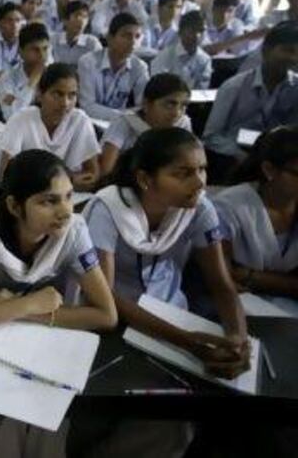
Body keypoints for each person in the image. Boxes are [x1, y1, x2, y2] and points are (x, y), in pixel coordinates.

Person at [83, 128, 250, 379]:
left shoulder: (199, 208)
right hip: (116, 319)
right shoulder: (108, 209)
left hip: (171, 311)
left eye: (202, 169)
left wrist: (238, 338)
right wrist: (186, 342)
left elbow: (221, 283)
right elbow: (105, 295)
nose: (199, 183)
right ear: (145, 180)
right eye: (183, 174)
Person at [0, 148, 117, 333]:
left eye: (69, 196)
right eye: (49, 201)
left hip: (41, 337)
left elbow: (107, 316)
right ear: (15, 207)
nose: (66, 212)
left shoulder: (74, 232)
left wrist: (19, 308)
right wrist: (29, 304)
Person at [213, 126, 298, 316]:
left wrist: (250, 275)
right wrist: (285, 284)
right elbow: (224, 275)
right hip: (239, 306)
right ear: (269, 170)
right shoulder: (230, 206)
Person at [0, 63, 100, 191]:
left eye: (72, 95)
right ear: (40, 94)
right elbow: (5, 176)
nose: (65, 103)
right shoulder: (22, 119)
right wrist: (63, 182)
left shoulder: (80, 120)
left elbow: (93, 173)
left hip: (47, 192)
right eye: (57, 94)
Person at [202, 21, 298, 173]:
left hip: (278, 161)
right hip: (235, 158)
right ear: (265, 51)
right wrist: (241, 156)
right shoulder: (234, 86)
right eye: (288, 50)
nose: (294, 58)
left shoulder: (295, 89)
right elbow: (211, 136)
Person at [99, 73, 192, 176]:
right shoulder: (125, 122)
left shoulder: (183, 124)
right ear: (146, 104)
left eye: (183, 106)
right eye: (170, 104)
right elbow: (106, 170)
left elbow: (189, 168)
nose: (177, 113)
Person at [77, 12, 149, 121]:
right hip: (90, 122)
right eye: (127, 35)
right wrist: (122, 116)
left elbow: (143, 107)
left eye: (137, 36)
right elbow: (87, 106)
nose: (133, 42)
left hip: (122, 125)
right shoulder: (88, 62)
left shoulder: (139, 67)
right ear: (110, 38)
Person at [0, 23, 50, 120]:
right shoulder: (7, 78)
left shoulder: (55, 75)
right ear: (20, 51)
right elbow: (11, 117)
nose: (42, 56)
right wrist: (31, 84)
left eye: (45, 49)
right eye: (35, 50)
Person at [150, 10, 212, 89]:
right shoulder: (165, 56)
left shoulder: (205, 59)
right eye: (192, 30)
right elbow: (157, 87)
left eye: (201, 30)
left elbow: (202, 90)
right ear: (180, 31)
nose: (197, 35)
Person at [51, 0, 102, 65]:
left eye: (85, 17)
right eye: (77, 15)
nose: (82, 21)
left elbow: (99, 67)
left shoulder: (92, 43)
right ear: (65, 20)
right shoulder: (53, 40)